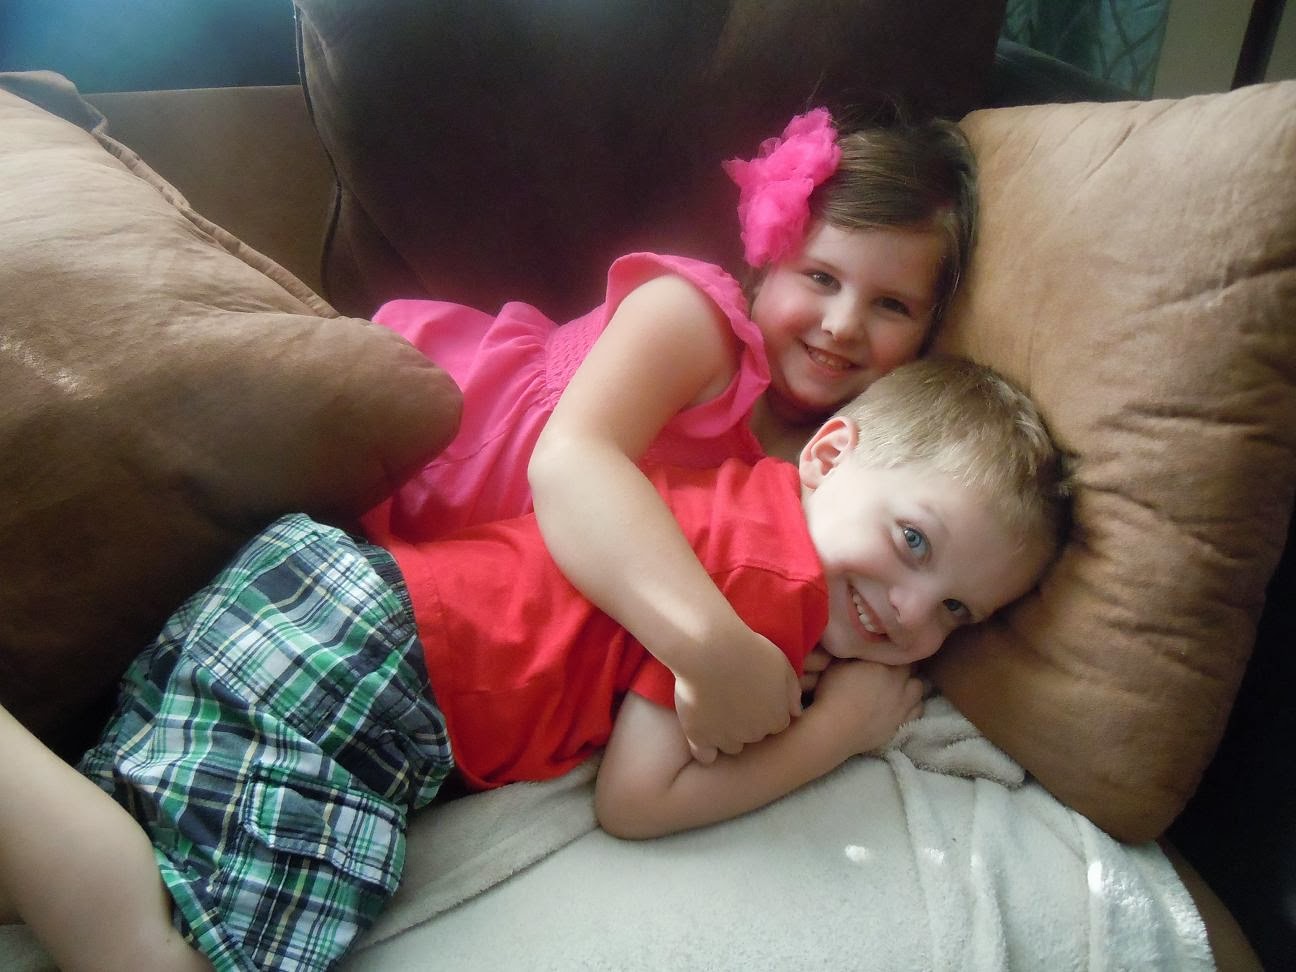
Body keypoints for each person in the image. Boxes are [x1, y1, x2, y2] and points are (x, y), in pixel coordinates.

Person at [0, 356, 1068, 972]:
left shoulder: (748, 516)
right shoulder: (771, 576)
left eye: (956, 609)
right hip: (379, 676)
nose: (909, 613)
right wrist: (842, 732)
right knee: (180, 956)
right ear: (827, 456)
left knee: (121, 864)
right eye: (913, 542)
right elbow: (638, 800)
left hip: (332, 614)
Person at [368, 106, 980, 764]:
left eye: (891, 306)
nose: (843, 324)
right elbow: (572, 464)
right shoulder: (694, 320)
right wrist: (716, 650)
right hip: (412, 447)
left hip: (458, 618)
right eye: (821, 278)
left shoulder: (837, 477)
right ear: (769, 260)